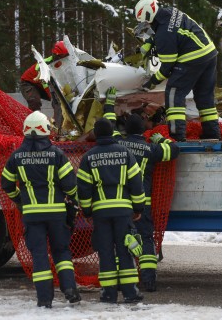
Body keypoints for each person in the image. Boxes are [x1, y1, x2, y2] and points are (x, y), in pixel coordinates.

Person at [103, 87, 180, 292]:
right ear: (142, 131)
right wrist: (160, 139)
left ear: (126, 130)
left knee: (121, 240)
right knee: (146, 240)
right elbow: (173, 151)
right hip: (143, 203)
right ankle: (149, 281)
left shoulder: (117, 143)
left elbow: (108, 125)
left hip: (121, 204)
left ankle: (122, 281)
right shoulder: (150, 149)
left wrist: (110, 102)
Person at [0, 111, 81, 308]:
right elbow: (70, 185)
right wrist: (74, 202)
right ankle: (70, 291)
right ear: (46, 129)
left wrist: (20, 200)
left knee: (39, 255)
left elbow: (6, 184)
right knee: (61, 252)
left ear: (26, 131)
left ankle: (44, 299)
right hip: (57, 214)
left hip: (32, 214)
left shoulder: (17, 156)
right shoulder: (57, 154)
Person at [77, 118, 146, 304]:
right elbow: (136, 182)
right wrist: (138, 208)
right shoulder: (125, 153)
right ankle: (130, 293)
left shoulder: (88, 157)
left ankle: (108, 294)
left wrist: (87, 211)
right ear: (113, 131)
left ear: (97, 135)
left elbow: (83, 188)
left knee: (105, 252)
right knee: (125, 251)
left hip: (101, 213)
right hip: (123, 211)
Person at [134, 0, 220, 141]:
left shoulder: (163, 35)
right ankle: (212, 134)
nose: (146, 25)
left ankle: (177, 136)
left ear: (148, 15)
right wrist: (150, 42)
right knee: (205, 97)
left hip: (192, 58)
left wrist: (153, 80)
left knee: (174, 93)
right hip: (209, 54)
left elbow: (167, 66)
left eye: (146, 22)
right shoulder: (170, 12)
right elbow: (169, 30)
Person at [20, 41, 69, 130]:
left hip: (41, 85)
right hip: (29, 83)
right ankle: (34, 125)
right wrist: (53, 98)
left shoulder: (64, 64)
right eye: (62, 57)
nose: (64, 59)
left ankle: (58, 127)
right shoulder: (44, 65)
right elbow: (45, 83)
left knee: (59, 102)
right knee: (35, 101)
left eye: (66, 57)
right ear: (56, 55)